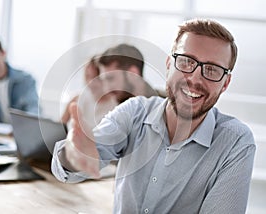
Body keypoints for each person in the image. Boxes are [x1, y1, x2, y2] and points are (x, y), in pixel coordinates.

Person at [52, 18, 256, 213]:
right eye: (186, 61)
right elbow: (70, 166)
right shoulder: (134, 112)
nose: (194, 78)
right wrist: (74, 154)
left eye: (212, 70)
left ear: (226, 83)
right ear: (169, 65)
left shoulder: (235, 143)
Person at [61, 56, 118, 127]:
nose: (91, 82)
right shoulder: (76, 100)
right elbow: (58, 129)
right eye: (87, 76)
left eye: (96, 77)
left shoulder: (117, 105)